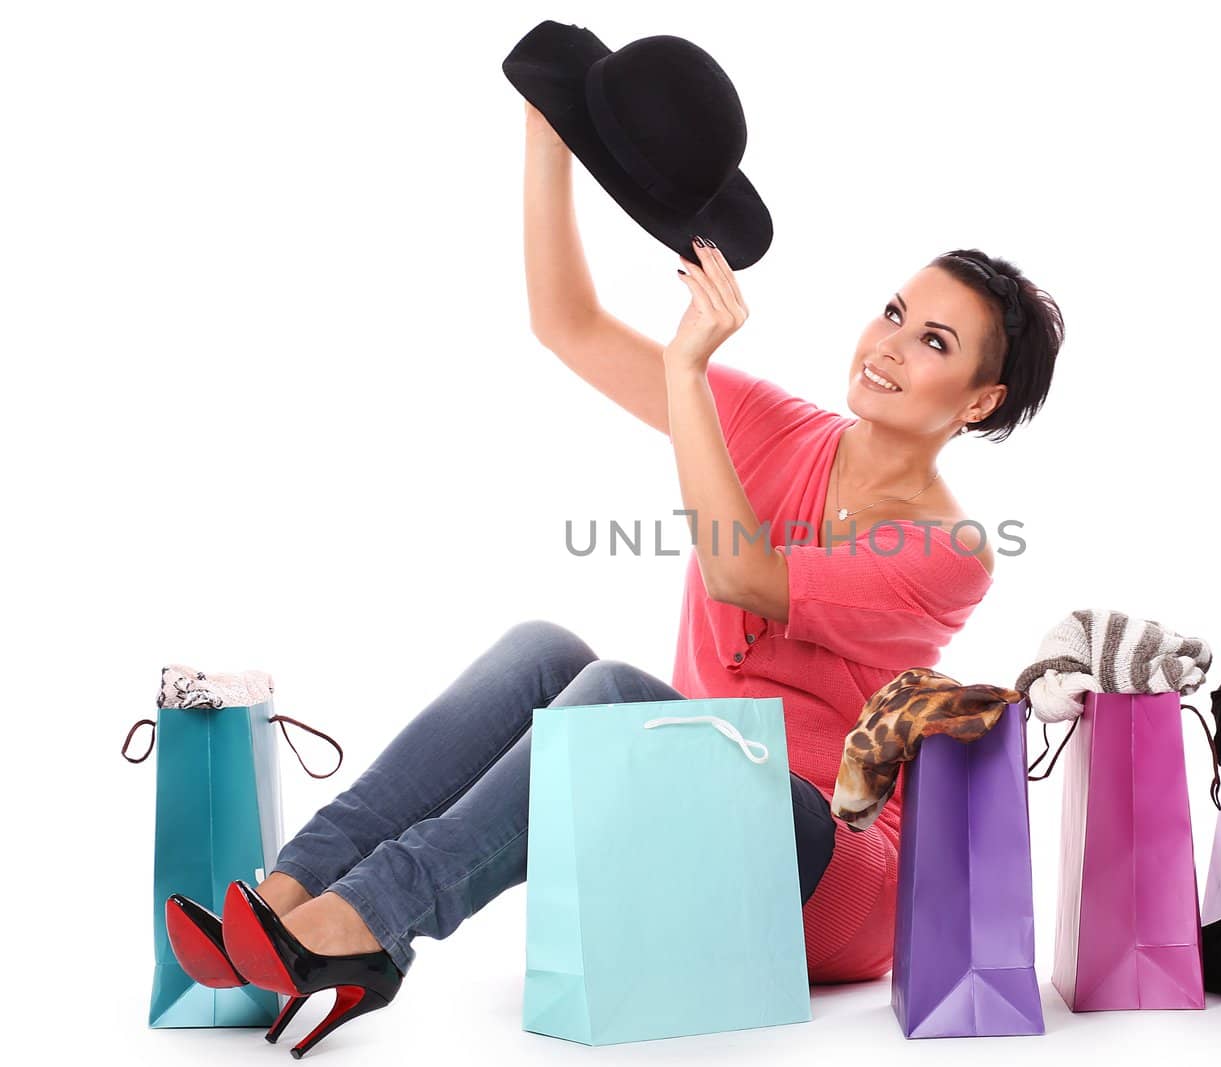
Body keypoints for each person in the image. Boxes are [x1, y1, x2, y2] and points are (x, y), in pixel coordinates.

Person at [238, 97, 1066, 995]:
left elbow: (741, 572)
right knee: (542, 650)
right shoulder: (769, 424)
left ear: (979, 400)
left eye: (934, 342)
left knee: (617, 696)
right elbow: (568, 323)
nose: (889, 346)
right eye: (894, 313)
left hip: (827, 860)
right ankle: (288, 895)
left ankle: (370, 918)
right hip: (691, 789)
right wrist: (549, 138)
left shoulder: (954, 550)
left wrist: (688, 375)